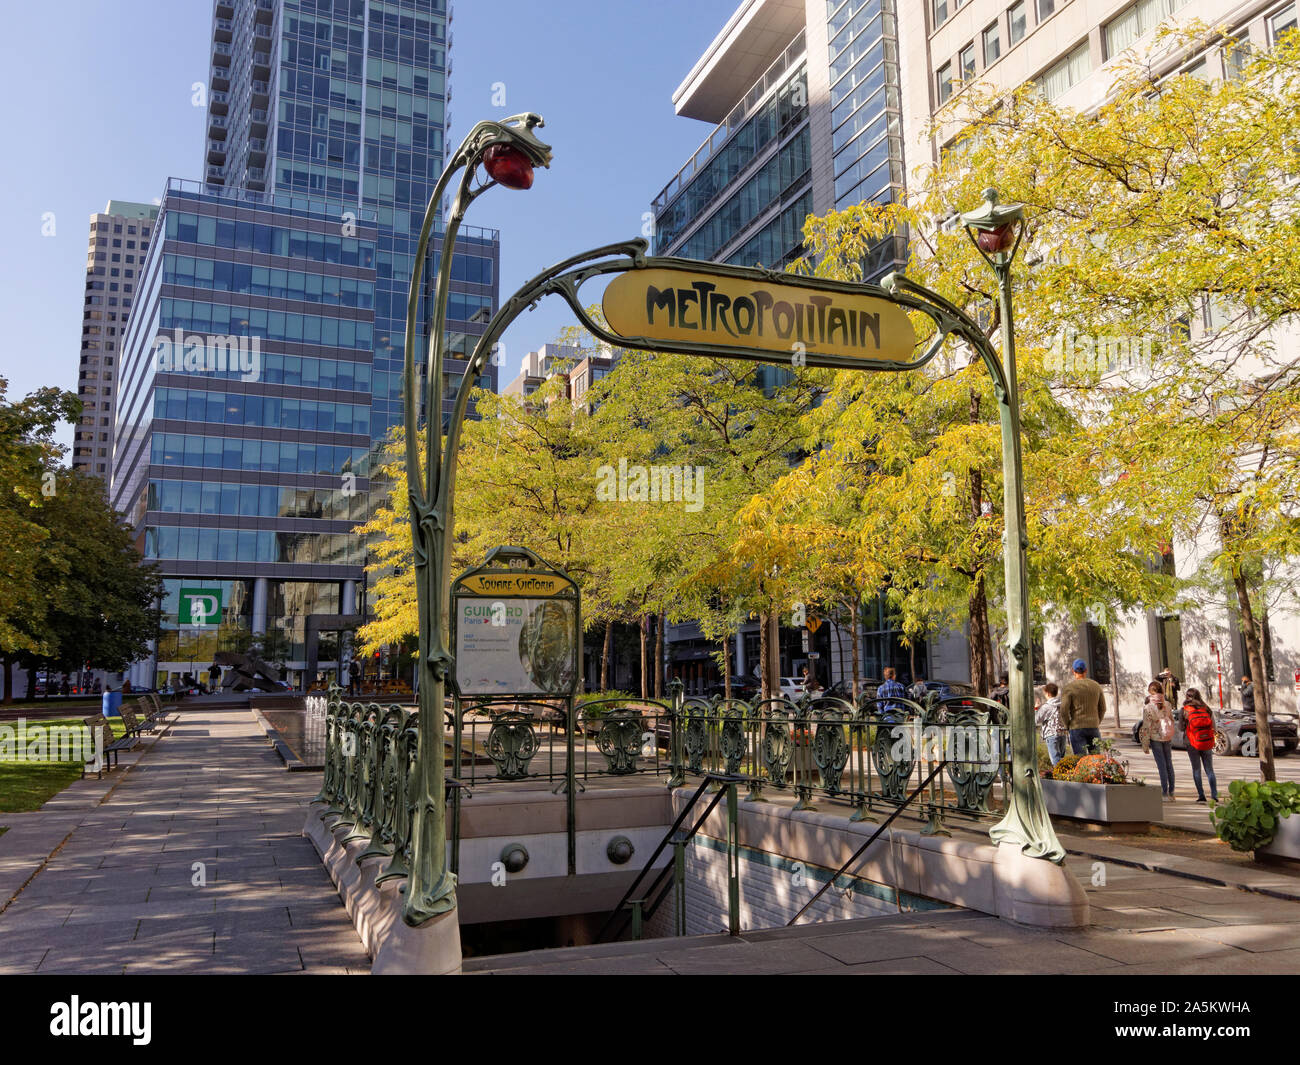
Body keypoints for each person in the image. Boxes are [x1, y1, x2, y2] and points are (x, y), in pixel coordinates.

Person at [1179, 688, 1219, 803]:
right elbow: (1214, 727)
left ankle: (1201, 795)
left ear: (1187, 697)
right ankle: (1214, 795)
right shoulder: (1206, 708)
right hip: (1206, 741)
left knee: (1196, 769)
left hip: (1191, 743)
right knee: (1209, 770)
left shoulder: (1185, 710)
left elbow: (1181, 728)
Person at [1139, 680, 1177, 800]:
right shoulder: (1168, 704)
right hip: (1167, 736)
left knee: (1162, 766)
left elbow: (1146, 727)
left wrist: (1145, 745)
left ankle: (1164, 793)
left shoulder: (1148, 707)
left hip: (1156, 738)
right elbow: (1172, 719)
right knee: (1169, 764)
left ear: (1150, 692)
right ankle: (1171, 792)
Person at [1060, 658, 1106, 754]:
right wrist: (1097, 721)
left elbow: (1064, 711)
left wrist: (1068, 725)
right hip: (1093, 726)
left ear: (1073, 671)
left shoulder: (1069, 688)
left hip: (1076, 727)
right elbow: (1103, 708)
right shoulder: (1096, 686)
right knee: (1096, 759)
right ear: (1086, 670)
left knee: (1080, 760)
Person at [1034, 682, 1068, 766]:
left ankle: (1059, 777)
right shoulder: (1062, 704)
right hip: (1063, 733)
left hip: (1051, 734)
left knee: (1055, 760)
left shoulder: (1046, 706)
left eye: (1045, 693)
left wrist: (1036, 708)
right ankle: (1064, 776)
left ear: (1048, 694)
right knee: (1062, 759)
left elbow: (1036, 719)